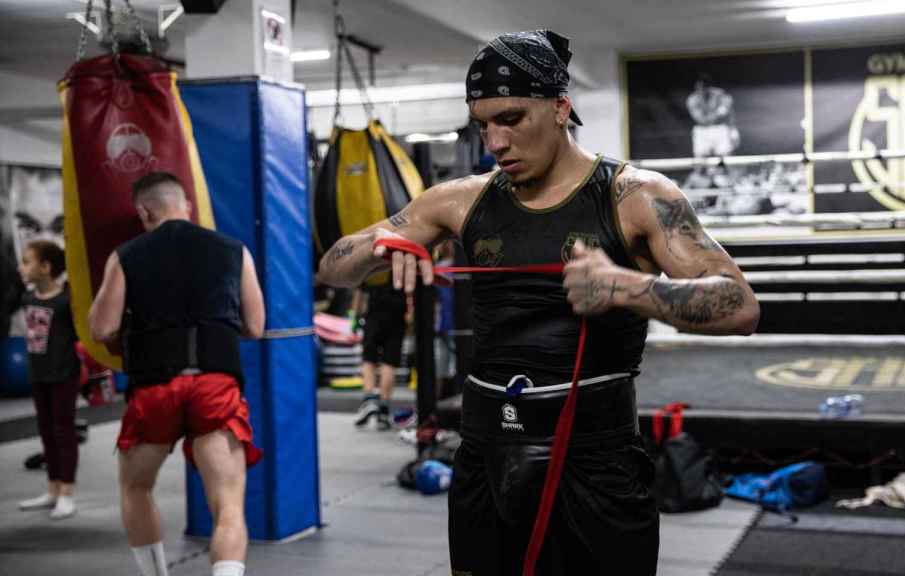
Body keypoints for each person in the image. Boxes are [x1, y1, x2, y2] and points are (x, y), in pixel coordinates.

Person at [316, 30, 759, 576]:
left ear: (559, 107)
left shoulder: (637, 196)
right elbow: (333, 266)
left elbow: (739, 305)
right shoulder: (460, 200)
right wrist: (383, 245)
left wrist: (628, 288)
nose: (495, 142)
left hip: (594, 458)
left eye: (511, 118)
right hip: (485, 452)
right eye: (483, 125)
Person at [88, 171, 265, 576]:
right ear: (186, 206)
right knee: (228, 504)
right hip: (214, 384)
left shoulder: (127, 255)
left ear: (144, 211)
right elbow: (255, 326)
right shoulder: (233, 250)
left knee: (136, 488)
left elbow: (101, 328)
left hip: (155, 386)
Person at [16, 240, 80, 520]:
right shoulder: (27, 299)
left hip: (63, 375)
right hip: (38, 374)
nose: (22, 267)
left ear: (46, 268)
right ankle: (52, 488)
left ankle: (66, 492)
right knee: (46, 431)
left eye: (27, 261)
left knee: (63, 432)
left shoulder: (66, 301)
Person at [353, 279, 408, 430]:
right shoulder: (403, 259)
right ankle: (383, 410)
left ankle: (369, 402)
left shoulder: (373, 261)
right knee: (389, 363)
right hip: (397, 315)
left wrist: (355, 317)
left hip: (374, 315)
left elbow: (360, 292)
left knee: (368, 359)